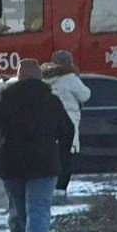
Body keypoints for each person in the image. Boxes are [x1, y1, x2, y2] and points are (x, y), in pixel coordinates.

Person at [0, 59, 74, 232]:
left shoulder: (6, 100)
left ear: (19, 77)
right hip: (43, 162)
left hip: (12, 164)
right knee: (38, 211)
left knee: (18, 211)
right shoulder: (51, 101)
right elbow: (66, 129)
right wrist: (60, 150)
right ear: (40, 78)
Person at [42, 50, 90, 192]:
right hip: (67, 122)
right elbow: (85, 95)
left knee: (51, 159)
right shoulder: (70, 78)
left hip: (47, 124)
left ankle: (50, 188)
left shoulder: (43, 78)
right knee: (66, 160)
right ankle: (60, 191)